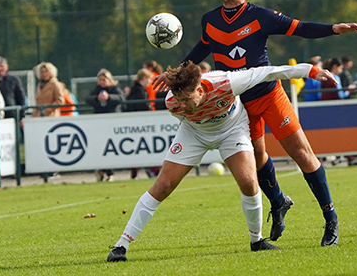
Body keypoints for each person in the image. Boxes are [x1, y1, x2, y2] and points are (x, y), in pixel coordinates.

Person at [170, 0, 357, 246]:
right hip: (237, 104)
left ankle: (330, 219)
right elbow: (199, 51)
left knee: (301, 153)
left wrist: (335, 28)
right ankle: (278, 201)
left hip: (269, 95)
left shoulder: (261, 16)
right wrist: (175, 73)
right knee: (257, 159)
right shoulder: (209, 20)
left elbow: (301, 28)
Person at [107, 61, 337, 262]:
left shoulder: (227, 82)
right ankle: (121, 245)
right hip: (194, 133)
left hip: (231, 130)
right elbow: (184, 115)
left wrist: (310, 71)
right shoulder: (171, 102)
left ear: (199, 88)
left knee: (248, 182)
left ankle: (256, 241)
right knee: (163, 186)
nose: (182, 104)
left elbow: (269, 72)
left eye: (187, 99)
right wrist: (186, 109)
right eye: (179, 99)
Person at [86, 68, 125, 181]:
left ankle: (109, 172)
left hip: (112, 123)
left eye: (104, 79)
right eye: (100, 79)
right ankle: (104, 171)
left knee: (111, 147)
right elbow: (88, 99)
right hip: (99, 123)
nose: (102, 82)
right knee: (101, 147)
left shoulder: (114, 89)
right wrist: (97, 99)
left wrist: (109, 98)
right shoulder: (96, 90)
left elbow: (121, 98)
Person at [124, 68, 155, 179]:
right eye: (149, 79)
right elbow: (142, 105)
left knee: (138, 148)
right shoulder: (139, 90)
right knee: (145, 146)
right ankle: (152, 170)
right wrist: (149, 109)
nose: (150, 82)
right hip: (140, 122)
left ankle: (137, 173)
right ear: (144, 78)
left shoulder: (135, 89)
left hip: (135, 121)